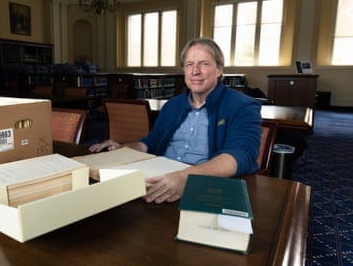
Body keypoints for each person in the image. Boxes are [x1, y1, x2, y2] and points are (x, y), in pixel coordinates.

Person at [89, 37, 262, 204]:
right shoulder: (173, 105)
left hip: (207, 187)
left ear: (219, 70)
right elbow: (151, 142)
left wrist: (185, 177)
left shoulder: (243, 106)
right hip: (161, 181)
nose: (195, 71)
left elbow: (240, 155)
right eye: (189, 64)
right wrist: (124, 149)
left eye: (204, 63)